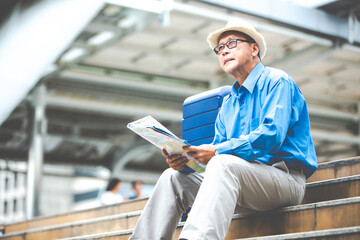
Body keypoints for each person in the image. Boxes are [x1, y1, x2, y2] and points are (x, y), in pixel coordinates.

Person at [129, 18, 317, 240]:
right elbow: (216, 159)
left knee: (222, 161)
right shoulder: (229, 104)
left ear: (254, 48)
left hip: (284, 181)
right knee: (172, 177)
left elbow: (271, 136)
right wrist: (187, 162)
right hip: (241, 187)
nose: (224, 51)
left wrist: (216, 153)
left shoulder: (278, 81)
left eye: (232, 43)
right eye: (219, 48)